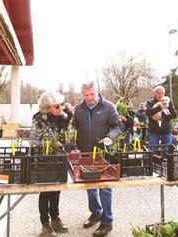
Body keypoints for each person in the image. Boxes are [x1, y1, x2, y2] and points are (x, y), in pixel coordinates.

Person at [72, 81, 123, 237]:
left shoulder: (108, 107)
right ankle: (96, 212)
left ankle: (107, 221)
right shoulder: (79, 109)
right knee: (89, 184)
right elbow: (74, 127)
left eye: (92, 94)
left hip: (103, 152)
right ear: (82, 95)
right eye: (86, 95)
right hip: (85, 153)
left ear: (97, 92)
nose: (90, 98)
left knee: (104, 186)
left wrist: (109, 137)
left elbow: (118, 126)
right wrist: (71, 144)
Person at [32, 91, 73, 237]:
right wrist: (51, 145)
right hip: (44, 159)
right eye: (57, 106)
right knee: (45, 191)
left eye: (61, 104)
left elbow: (70, 136)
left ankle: (55, 219)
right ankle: (45, 224)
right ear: (47, 107)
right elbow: (34, 141)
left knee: (57, 189)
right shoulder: (38, 119)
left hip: (60, 159)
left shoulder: (65, 117)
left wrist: (68, 143)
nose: (61, 108)